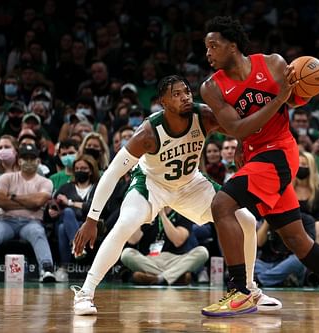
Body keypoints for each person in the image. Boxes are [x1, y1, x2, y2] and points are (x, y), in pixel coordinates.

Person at [200, 16, 319, 318]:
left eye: (214, 46)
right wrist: (277, 101)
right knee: (295, 239)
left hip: (278, 152)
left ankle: (240, 290)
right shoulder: (211, 88)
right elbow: (237, 128)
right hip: (254, 156)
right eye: (206, 48)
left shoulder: (273, 64)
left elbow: (296, 97)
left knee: (222, 204)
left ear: (233, 46)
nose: (208, 53)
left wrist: (312, 84)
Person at [71, 75, 280, 315]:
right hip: (152, 185)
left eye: (187, 92)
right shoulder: (147, 133)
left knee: (247, 220)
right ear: (163, 102)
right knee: (124, 224)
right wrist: (92, 219)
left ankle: (250, 289)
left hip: (191, 184)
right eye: (177, 94)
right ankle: (85, 293)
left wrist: (242, 143)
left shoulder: (204, 116)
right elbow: (112, 173)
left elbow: (240, 127)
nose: (186, 97)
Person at [0, 144, 56, 283]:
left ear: (38, 161)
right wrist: (30, 201)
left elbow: (38, 202)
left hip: (32, 222)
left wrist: (13, 197)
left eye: (32, 158)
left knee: (38, 233)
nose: (29, 161)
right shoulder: (6, 178)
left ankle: (47, 269)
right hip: (6, 221)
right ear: (19, 160)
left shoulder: (46, 182)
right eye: (25, 158)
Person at [120, 207, 208, 286]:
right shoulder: (147, 211)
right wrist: (137, 216)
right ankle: (170, 277)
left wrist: (162, 215)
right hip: (149, 260)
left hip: (175, 260)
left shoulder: (183, 213)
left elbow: (178, 241)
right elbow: (133, 240)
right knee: (126, 253)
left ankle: (156, 277)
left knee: (202, 252)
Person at [49, 154, 100, 282]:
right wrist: (52, 211)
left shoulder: (97, 187)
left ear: (91, 170)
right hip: (67, 219)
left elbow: (92, 207)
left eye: (83, 169)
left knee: (62, 228)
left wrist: (70, 203)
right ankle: (79, 246)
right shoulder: (66, 187)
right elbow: (54, 204)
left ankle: (64, 268)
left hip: (87, 224)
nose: (79, 171)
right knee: (67, 213)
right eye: (77, 169)